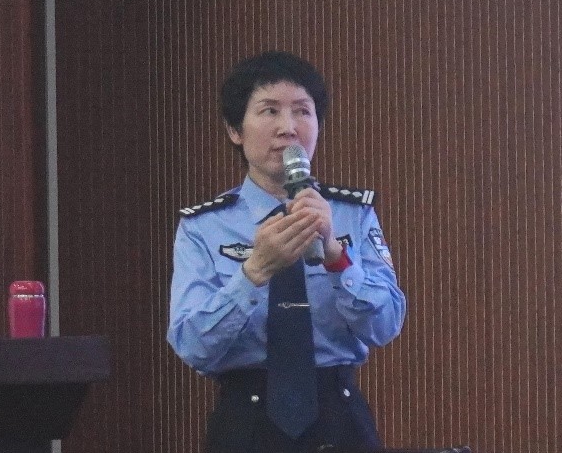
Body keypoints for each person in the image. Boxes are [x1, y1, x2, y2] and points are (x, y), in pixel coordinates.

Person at [169, 51, 406, 453]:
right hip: (245, 419)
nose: (288, 128)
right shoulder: (203, 226)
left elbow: (385, 325)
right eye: (269, 111)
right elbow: (193, 346)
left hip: (338, 414)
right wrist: (254, 272)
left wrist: (336, 256)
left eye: (302, 112)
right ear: (235, 130)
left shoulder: (351, 214)